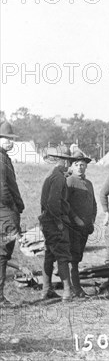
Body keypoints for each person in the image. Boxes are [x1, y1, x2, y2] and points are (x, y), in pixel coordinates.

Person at [39, 144, 80, 302]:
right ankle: (67, 293)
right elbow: (53, 203)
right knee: (63, 256)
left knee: (50, 255)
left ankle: (46, 290)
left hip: (47, 220)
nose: (69, 164)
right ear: (62, 161)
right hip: (54, 221)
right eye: (68, 161)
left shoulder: (52, 174)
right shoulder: (58, 177)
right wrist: (59, 222)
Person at [0, 122, 25, 307]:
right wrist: (13, 207)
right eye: (7, 139)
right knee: (3, 253)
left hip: (8, 211)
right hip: (5, 212)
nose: (10, 142)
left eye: (12, 139)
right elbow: (3, 190)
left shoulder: (5, 158)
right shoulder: (0, 159)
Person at [66, 149, 96, 298]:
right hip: (72, 226)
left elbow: (94, 203)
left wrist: (92, 220)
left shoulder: (88, 183)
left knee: (78, 256)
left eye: (82, 164)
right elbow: (65, 204)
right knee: (73, 258)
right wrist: (76, 219)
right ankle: (75, 289)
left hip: (85, 226)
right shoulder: (70, 181)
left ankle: (74, 287)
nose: (80, 167)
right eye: (77, 164)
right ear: (72, 166)